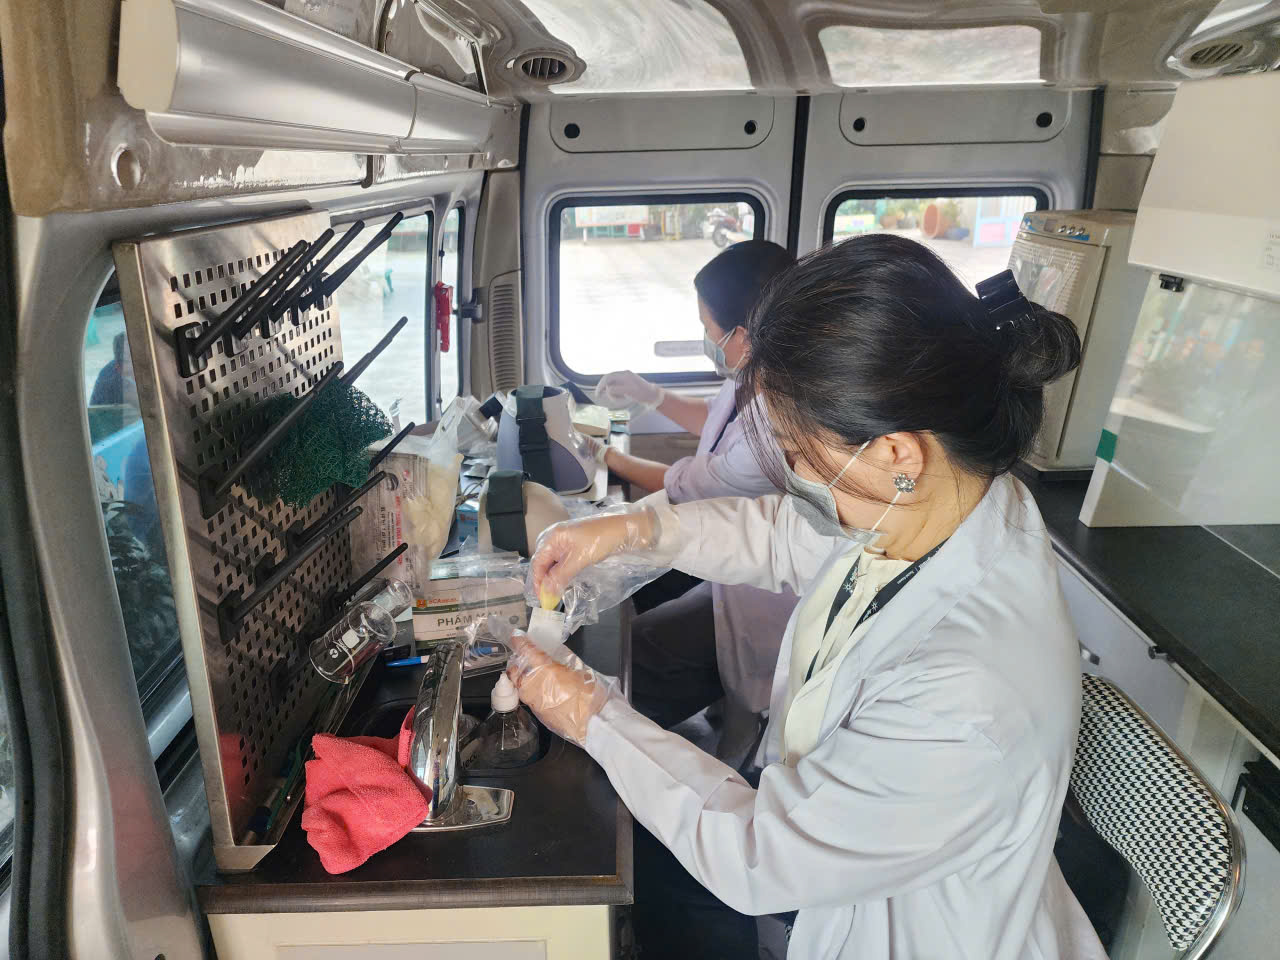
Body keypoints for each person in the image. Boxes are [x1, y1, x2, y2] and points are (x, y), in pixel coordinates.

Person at [509, 235, 1105, 959]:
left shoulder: (966, 696)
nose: (790, 476)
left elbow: (759, 855)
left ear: (897, 453)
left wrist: (594, 717)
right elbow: (784, 535)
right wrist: (636, 530)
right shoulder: (947, 497)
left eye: (797, 454)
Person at [588, 240, 799, 759]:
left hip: (764, 602)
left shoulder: (782, 417)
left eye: (709, 329)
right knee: (635, 600)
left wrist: (604, 459)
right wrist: (650, 393)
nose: (707, 339)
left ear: (743, 334)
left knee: (637, 654)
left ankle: (618, 758)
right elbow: (713, 417)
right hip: (733, 568)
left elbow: (690, 485)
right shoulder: (755, 376)